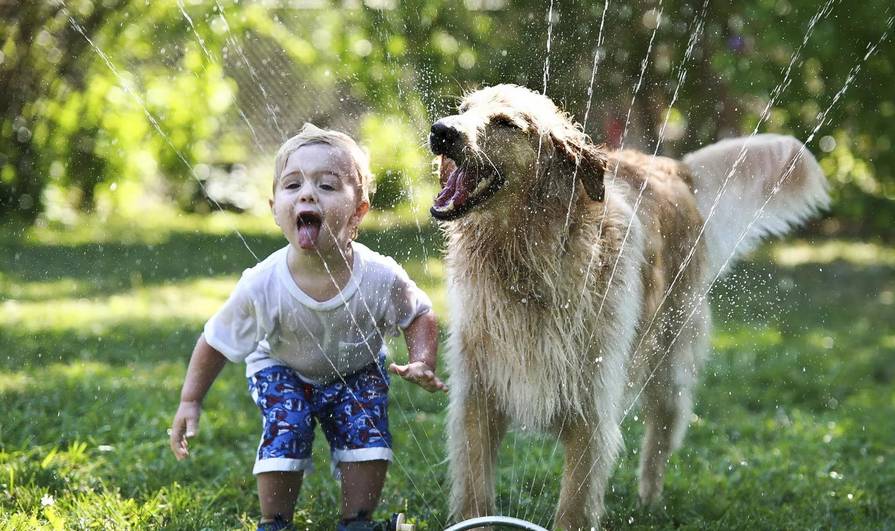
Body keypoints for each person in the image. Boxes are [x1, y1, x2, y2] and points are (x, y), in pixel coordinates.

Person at [169, 123, 446, 531]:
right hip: (282, 367)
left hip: (357, 368)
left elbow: (419, 313)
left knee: (367, 436)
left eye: (328, 185)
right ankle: (275, 521)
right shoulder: (262, 283)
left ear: (359, 210)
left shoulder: (379, 276)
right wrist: (190, 400)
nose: (307, 193)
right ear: (275, 208)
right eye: (292, 184)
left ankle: (357, 521)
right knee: (289, 423)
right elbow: (215, 340)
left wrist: (422, 359)